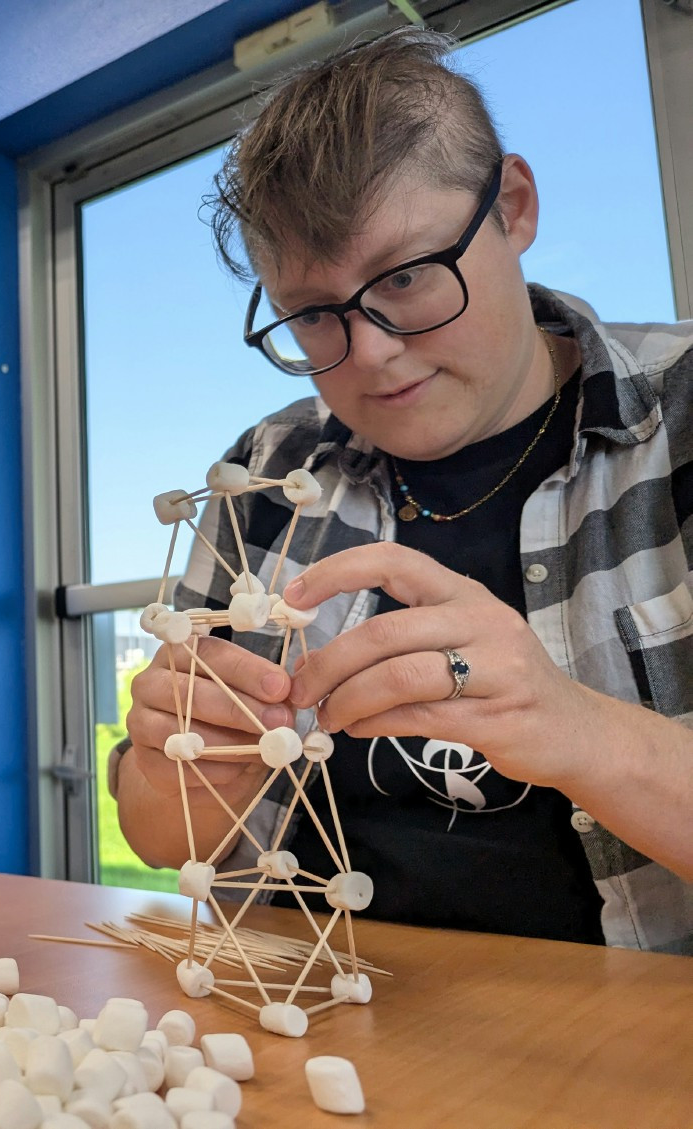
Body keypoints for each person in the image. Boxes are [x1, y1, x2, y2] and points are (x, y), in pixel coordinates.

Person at [115, 28, 693, 952]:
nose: (371, 352)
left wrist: (576, 729)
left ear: (511, 206)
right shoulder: (267, 474)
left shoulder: (681, 417)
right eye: (313, 315)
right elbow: (159, 834)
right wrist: (175, 769)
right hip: (315, 1015)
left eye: (408, 276)